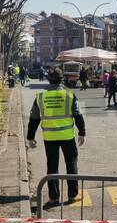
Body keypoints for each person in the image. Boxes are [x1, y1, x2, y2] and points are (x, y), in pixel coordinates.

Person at [27, 68, 86, 209]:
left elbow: (34, 119)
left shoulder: (41, 97)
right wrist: (82, 132)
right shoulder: (70, 95)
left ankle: (53, 198)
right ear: (62, 79)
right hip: (67, 137)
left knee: (52, 167)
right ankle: (72, 195)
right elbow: (78, 115)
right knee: (71, 165)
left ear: (48, 79)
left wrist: (30, 137)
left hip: (50, 137)